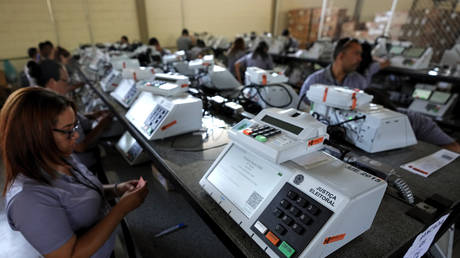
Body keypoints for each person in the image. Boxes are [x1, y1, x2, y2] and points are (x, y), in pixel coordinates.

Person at [1, 87, 148, 257]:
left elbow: (78, 195)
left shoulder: (60, 156)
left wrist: (116, 189)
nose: (76, 135)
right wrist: (121, 209)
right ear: (37, 136)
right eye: (68, 130)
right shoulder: (27, 200)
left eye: (75, 126)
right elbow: (69, 255)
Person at [300, 37, 460, 152]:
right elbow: (304, 112)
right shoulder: (314, 81)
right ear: (341, 56)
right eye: (356, 54)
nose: (360, 59)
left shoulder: (358, 81)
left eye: (361, 54)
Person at [29, 60, 113, 167]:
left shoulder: (40, 100)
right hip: (75, 165)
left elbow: (70, 122)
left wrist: (92, 116)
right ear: (52, 83)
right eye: (65, 81)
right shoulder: (55, 107)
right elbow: (80, 146)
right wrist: (102, 124)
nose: (68, 85)